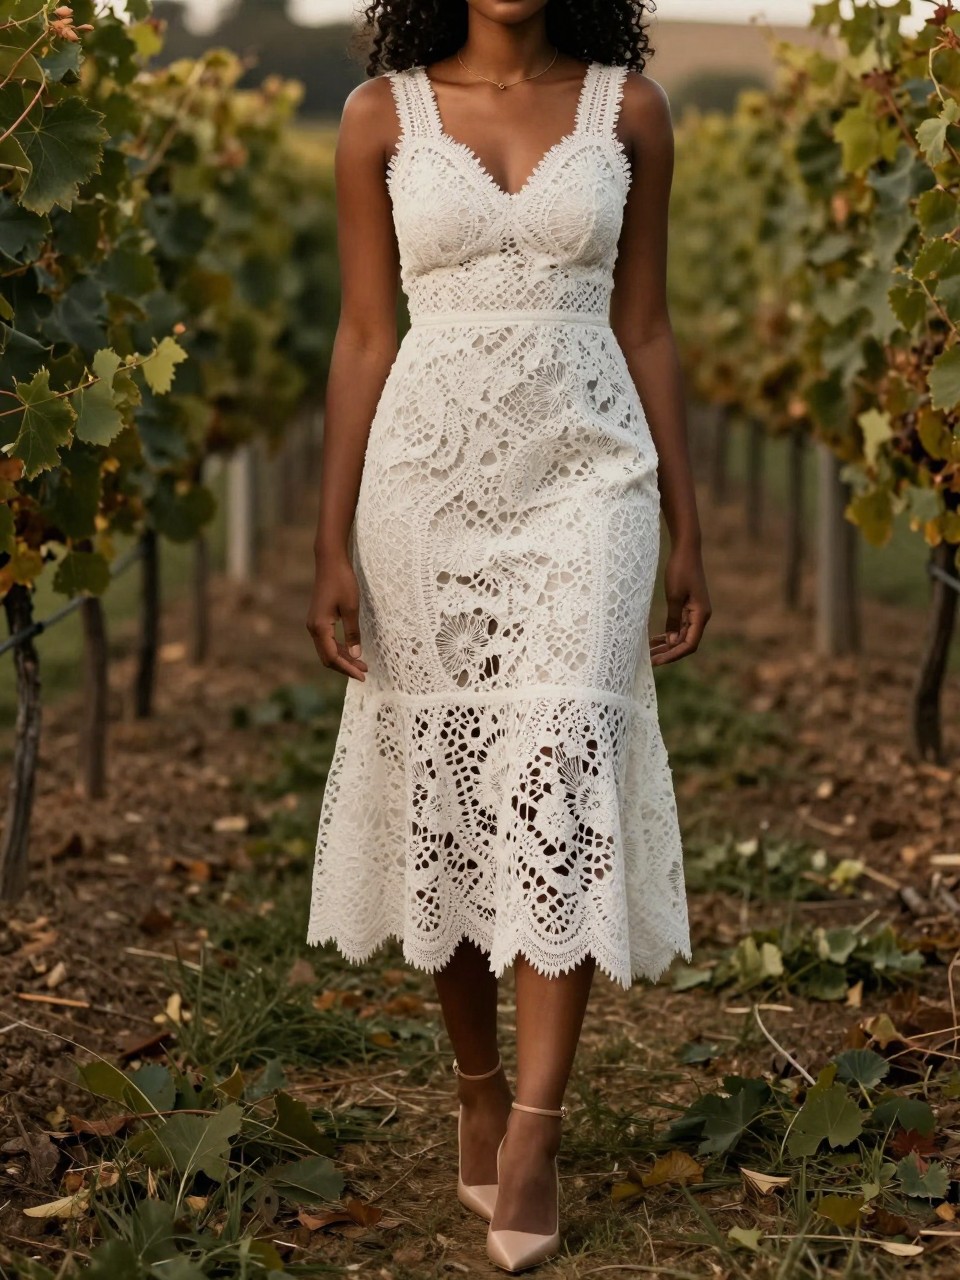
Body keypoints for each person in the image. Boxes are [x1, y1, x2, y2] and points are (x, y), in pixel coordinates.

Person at [305, 0, 710, 1270]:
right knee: (457, 778)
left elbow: (645, 324)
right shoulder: (381, 115)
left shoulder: (628, 110)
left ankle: (535, 1126)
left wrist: (686, 523)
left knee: (562, 765)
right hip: (424, 484)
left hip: (590, 479)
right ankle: (477, 1084)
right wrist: (328, 541)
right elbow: (366, 333)